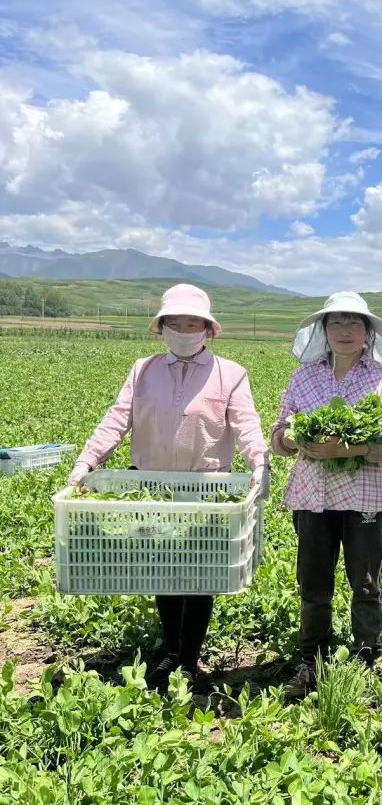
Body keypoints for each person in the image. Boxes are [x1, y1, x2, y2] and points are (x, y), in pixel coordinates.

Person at [67, 284, 269, 688]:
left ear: (208, 329)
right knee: (163, 572)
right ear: (161, 328)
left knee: (199, 577)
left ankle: (190, 659)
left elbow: (246, 425)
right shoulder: (143, 370)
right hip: (152, 489)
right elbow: (117, 418)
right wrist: (87, 461)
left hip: (207, 490)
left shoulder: (230, 374)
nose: (182, 329)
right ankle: (171, 651)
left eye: (191, 322)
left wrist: (259, 463)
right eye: (174, 322)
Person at [270, 292, 382, 697]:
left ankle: (366, 659)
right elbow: (278, 435)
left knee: (365, 582)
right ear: (323, 331)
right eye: (336, 323)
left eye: (354, 322)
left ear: (367, 332)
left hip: (365, 496)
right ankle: (311, 659)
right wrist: (297, 441)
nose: (345, 331)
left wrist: (349, 449)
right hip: (313, 494)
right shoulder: (304, 377)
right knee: (313, 582)